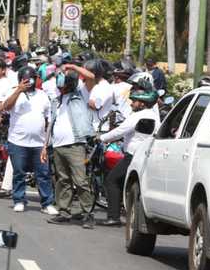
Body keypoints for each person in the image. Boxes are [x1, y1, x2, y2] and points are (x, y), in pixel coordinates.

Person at [97, 84, 160, 226]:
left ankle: (113, 217)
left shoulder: (138, 115)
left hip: (132, 157)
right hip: (144, 156)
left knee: (112, 180)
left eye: (134, 101)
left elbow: (120, 130)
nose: (131, 103)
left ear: (142, 104)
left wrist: (100, 138)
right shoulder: (154, 116)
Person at [1, 66, 56, 214]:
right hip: (17, 141)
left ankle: (47, 203)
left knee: (43, 174)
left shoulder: (42, 95)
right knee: (19, 172)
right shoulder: (13, 92)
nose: (28, 83)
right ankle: (19, 200)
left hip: (38, 143)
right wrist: (18, 90)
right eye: (24, 80)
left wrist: (45, 144)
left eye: (31, 79)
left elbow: (48, 121)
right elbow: (6, 106)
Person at [45, 70, 96, 226]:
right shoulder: (55, 101)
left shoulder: (80, 96)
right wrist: (45, 146)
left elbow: (91, 77)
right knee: (63, 180)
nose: (61, 88)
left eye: (64, 85)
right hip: (58, 145)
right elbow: (50, 124)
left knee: (80, 181)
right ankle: (64, 212)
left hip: (75, 145)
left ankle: (88, 214)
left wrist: (72, 66)